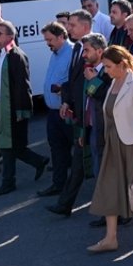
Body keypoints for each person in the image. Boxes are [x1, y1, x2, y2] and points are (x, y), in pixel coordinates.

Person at [86, 45, 133, 252]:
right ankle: (111, 238)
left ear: (122, 64)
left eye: (108, 66)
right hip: (114, 144)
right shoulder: (113, 83)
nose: (105, 70)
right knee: (110, 187)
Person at [0, 21, 48, 196]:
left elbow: (23, 86)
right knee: (13, 146)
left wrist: (22, 110)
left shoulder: (16, 56)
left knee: (7, 147)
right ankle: (39, 161)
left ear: (9, 36)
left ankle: (8, 182)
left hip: (12, 109)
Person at [45, 14, 96, 217]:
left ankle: (116, 209)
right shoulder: (77, 47)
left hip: (93, 115)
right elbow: (73, 82)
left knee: (93, 161)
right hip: (80, 114)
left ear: (85, 27)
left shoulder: (94, 47)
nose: (68, 28)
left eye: (72, 25)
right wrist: (66, 100)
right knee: (79, 160)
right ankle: (65, 204)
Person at [37, 22, 75, 197]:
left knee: (76, 147)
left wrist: (63, 90)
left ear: (61, 36)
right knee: (57, 149)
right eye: (46, 40)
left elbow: (75, 81)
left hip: (67, 110)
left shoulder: (73, 52)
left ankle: (79, 187)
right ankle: (58, 184)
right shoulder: (55, 53)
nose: (48, 43)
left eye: (50, 39)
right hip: (53, 112)